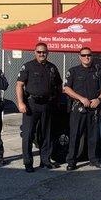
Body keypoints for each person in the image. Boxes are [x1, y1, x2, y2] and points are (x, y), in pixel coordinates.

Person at [16, 42, 62, 173]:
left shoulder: (52, 67)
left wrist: (57, 101)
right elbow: (19, 85)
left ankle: (45, 161)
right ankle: (28, 162)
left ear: (48, 53)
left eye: (44, 52)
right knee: (28, 134)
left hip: (47, 104)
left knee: (47, 134)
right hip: (31, 104)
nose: (42, 54)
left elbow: (59, 85)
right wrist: (21, 103)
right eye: (39, 52)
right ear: (34, 52)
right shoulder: (28, 66)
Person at [63, 47, 101, 170]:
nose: (86, 57)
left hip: (93, 108)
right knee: (75, 135)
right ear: (80, 57)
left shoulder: (98, 71)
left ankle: (93, 159)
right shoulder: (73, 71)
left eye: (89, 55)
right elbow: (66, 88)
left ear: (92, 56)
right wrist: (81, 98)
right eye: (83, 55)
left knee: (93, 136)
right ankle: (71, 161)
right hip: (78, 108)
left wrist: (99, 99)